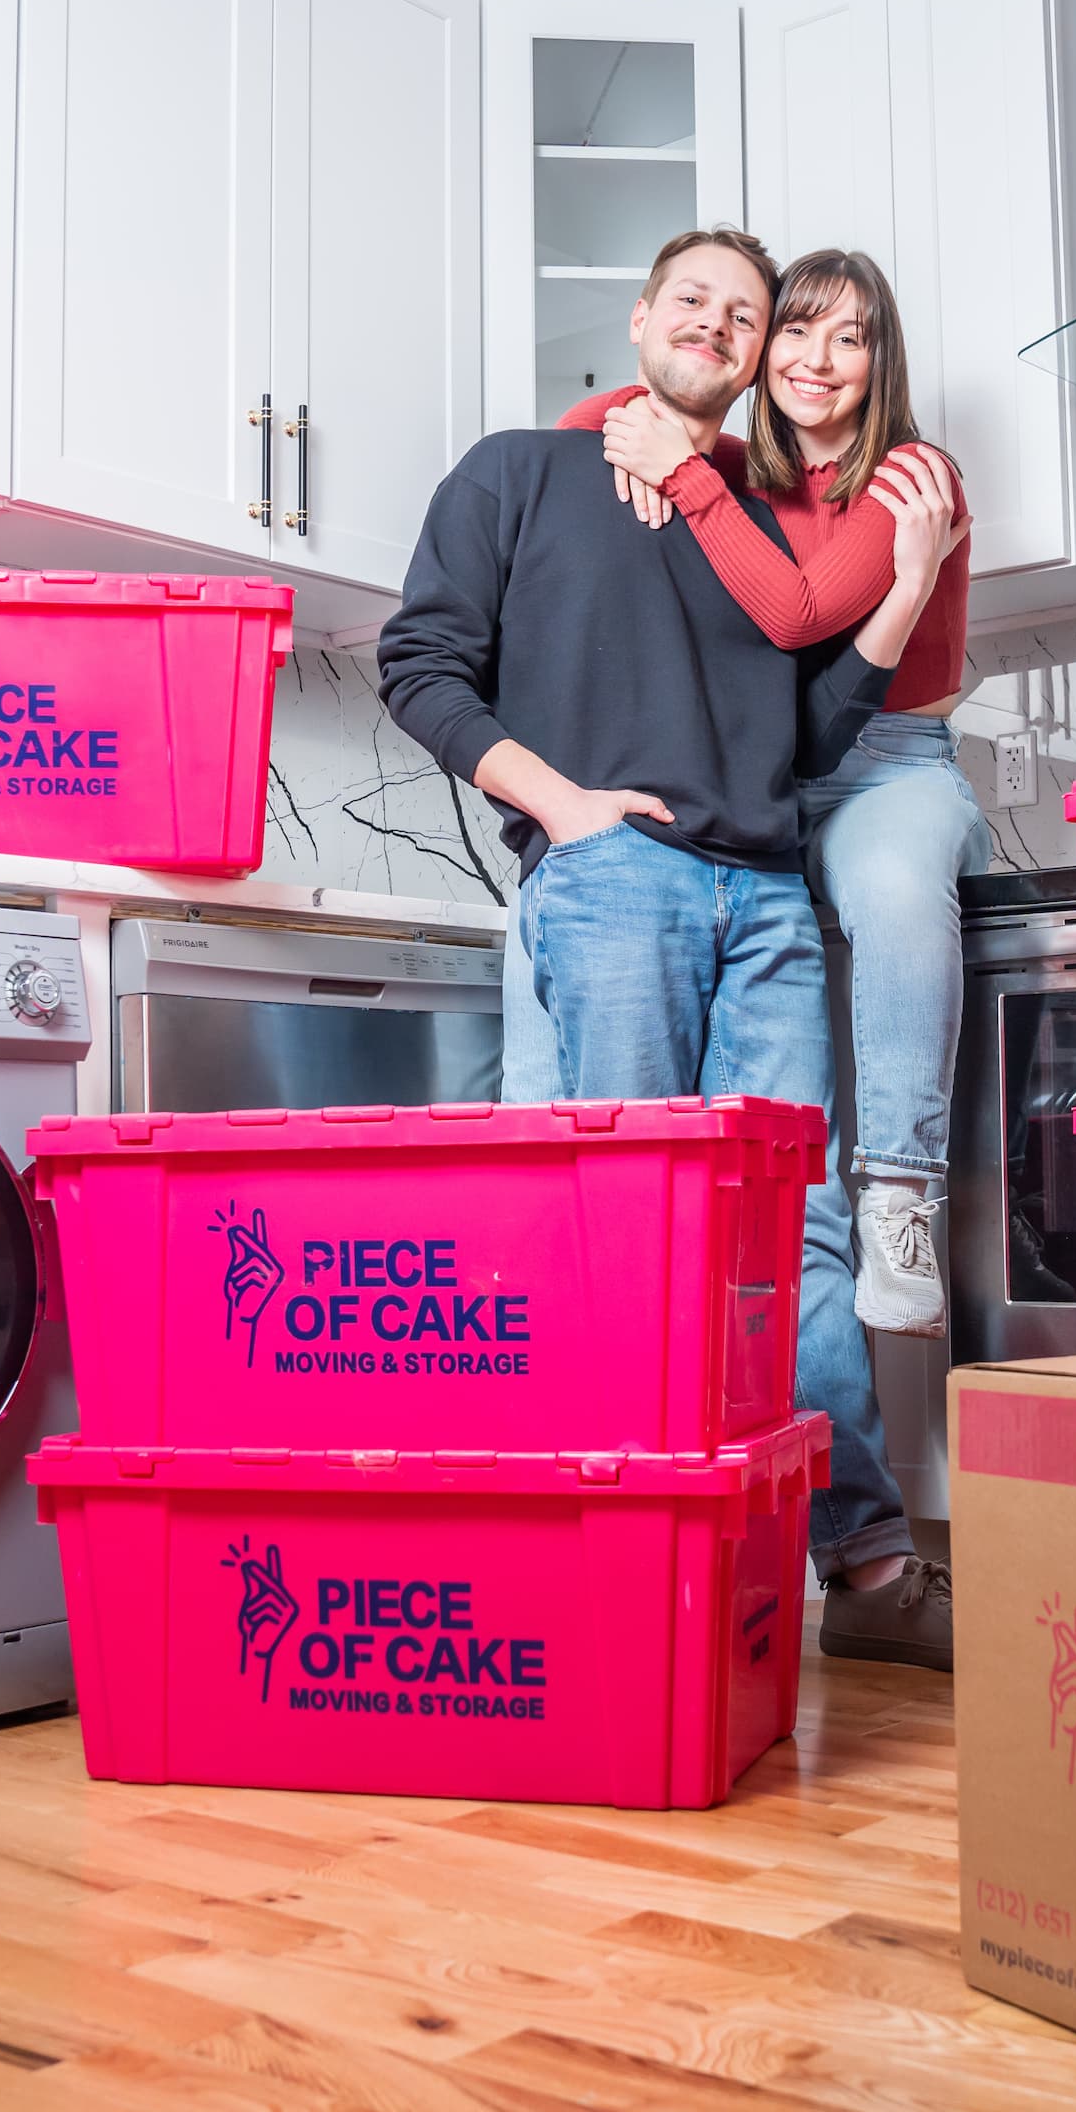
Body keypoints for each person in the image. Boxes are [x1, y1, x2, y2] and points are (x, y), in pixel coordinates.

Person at [377, 226, 968, 1670]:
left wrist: (901, 584)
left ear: (763, 357)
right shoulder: (517, 471)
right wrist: (562, 810)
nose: (718, 326)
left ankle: (870, 1569)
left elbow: (819, 727)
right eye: (693, 301)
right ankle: (622, 1569)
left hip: (765, 898)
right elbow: (418, 663)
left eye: (745, 315)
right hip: (619, 883)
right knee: (628, 1234)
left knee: (797, 1239)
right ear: (640, 319)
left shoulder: (757, 524)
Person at [559, 249, 990, 1353]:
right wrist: (635, 415)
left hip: (890, 759)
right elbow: (584, 425)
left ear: (880, 361)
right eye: (795, 330)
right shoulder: (747, 472)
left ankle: (900, 1190)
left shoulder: (910, 476)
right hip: (765, 766)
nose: (816, 359)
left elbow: (798, 616)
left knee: (892, 892)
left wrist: (680, 467)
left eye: (850, 337)